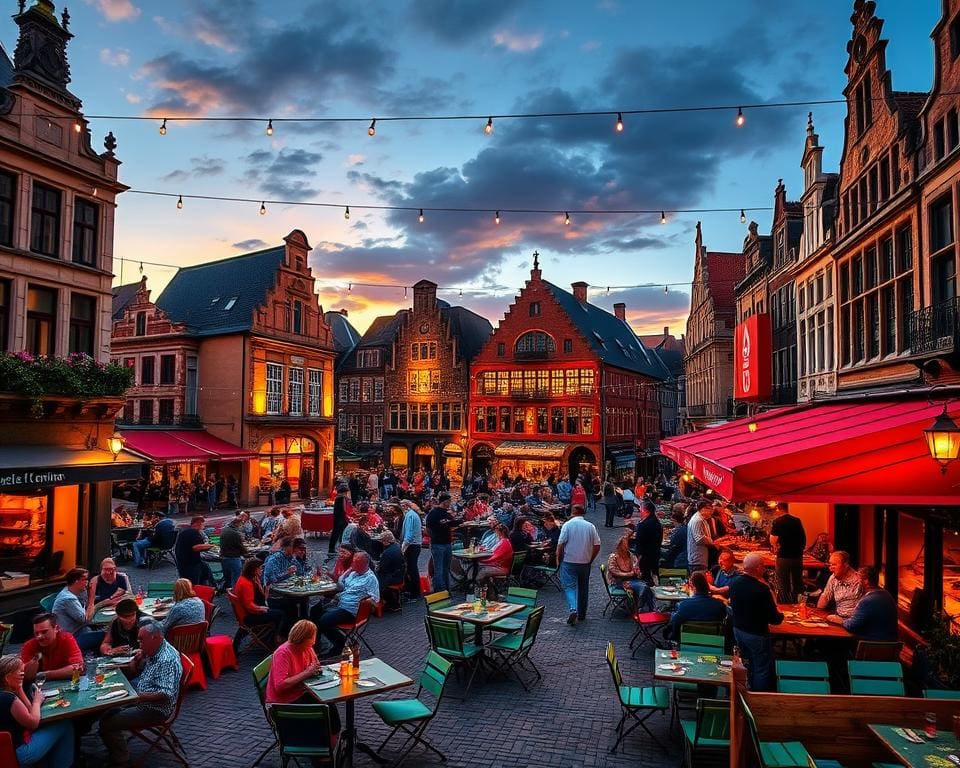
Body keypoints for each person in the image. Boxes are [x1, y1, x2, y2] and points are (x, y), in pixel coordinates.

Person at [99, 621, 183, 766]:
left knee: (106, 722)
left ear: (155, 637)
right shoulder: (157, 647)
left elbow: (165, 694)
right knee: (108, 700)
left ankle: (121, 757)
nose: (138, 643)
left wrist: (135, 697)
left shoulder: (167, 660)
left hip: (154, 709)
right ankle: (121, 728)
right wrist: (142, 654)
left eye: (141, 639)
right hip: (142, 692)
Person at [0, 654, 74, 767]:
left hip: (5, 752)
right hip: (19, 754)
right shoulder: (9, 699)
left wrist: (19, 688)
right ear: (7, 678)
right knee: (64, 724)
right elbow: (33, 722)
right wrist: (37, 702)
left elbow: (29, 711)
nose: (23, 674)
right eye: (19, 672)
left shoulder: (5, 693)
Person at [728, 552, 783, 691]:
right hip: (756, 634)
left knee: (749, 662)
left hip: (738, 631)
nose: (764, 569)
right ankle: (758, 698)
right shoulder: (761, 589)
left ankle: (748, 688)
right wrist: (781, 615)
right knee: (761, 668)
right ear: (758, 568)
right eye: (763, 566)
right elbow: (774, 619)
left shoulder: (734, 582)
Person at [310, 551, 380, 656]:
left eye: (356, 562)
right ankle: (316, 643)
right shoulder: (353, 573)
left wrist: (367, 602)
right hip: (340, 603)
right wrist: (334, 576)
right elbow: (342, 587)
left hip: (351, 610)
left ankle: (339, 645)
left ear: (364, 564)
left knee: (323, 621)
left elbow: (375, 600)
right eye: (353, 561)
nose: (353, 564)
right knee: (314, 610)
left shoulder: (370, 579)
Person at [557, 504, 601, 626]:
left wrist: (558, 559)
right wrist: (590, 558)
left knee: (570, 587)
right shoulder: (590, 526)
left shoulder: (567, 525)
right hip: (584, 562)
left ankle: (573, 608)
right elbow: (597, 545)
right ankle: (582, 614)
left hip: (569, 561)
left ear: (573, 512)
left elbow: (560, 544)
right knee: (583, 588)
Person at [827, 565, 897, 641]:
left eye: (858, 577)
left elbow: (852, 626)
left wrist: (840, 621)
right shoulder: (885, 594)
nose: (855, 580)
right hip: (888, 643)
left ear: (866, 581)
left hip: (873, 644)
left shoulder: (868, 600)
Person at [52, 567, 106, 653]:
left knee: (101, 630)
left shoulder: (71, 591)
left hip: (79, 629)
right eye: (85, 580)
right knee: (108, 636)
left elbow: (85, 605)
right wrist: (93, 598)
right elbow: (85, 619)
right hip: (71, 637)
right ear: (76, 581)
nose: (87, 583)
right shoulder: (68, 599)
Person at [233, 558, 284, 649]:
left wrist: (262, 588)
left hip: (247, 612)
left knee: (278, 605)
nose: (261, 570)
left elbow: (260, 597)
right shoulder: (246, 584)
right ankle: (276, 639)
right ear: (254, 570)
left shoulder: (246, 579)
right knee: (280, 614)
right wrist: (262, 608)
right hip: (250, 616)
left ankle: (269, 637)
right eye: (260, 568)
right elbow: (249, 605)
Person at [664, 571, 728, 642]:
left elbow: (675, 624)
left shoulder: (684, 605)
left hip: (687, 641)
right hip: (713, 642)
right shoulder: (719, 605)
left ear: (693, 587)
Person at [19, 613, 82, 683]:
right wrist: (33, 662)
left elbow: (78, 669)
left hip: (66, 683)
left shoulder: (66, 639)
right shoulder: (29, 646)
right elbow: (25, 677)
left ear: (56, 629)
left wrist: (46, 674)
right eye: (36, 633)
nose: (39, 637)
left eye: (44, 632)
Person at [769, 502, 806, 603]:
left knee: (783, 582)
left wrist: (775, 547)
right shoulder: (797, 521)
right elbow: (803, 538)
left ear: (779, 509)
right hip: (797, 556)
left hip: (783, 557)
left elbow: (772, 540)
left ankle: (785, 604)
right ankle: (799, 602)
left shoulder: (777, 522)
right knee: (797, 581)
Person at [606, 535, 652, 611]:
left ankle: (644, 607)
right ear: (619, 547)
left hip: (632, 579)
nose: (626, 548)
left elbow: (636, 569)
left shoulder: (631, 556)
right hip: (619, 581)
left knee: (646, 587)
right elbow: (613, 570)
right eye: (624, 546)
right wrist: (628, 574)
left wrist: (637, 572)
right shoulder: (613, 557)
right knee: (644, 587)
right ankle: (641, 607)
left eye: (626, 546)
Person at [425, 492, 459, 593]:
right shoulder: (433, 514)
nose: (450, 504)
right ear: (444, 502)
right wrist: (434, 537)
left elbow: (453, 522)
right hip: (438, 544)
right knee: (439, 568)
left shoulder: (446, 513)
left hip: (447, 543)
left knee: (445, 568)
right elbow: (428, 528)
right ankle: (439, 590)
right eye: (449, 502)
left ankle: (446, 589)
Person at [816, 550, 862, 620]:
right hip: (838, 618)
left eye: (834, 564)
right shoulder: (833, 578)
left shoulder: (859, 580)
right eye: (830, 564)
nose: (830, 568)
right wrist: (816, 613)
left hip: (854, 621)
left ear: (846, 565)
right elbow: (825, 596)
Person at [175, 515, 213, 585]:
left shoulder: (185, 532)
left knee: (205, 569)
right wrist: (212, 546)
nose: (204, 526)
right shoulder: (193, 532)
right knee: (194, 584)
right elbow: (196, 547)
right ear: (199, 523)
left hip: (185, 563)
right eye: (203, 524)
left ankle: (209, 588)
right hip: (190, 565)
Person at [633, 500, 663, 584]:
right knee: (654, 575)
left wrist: (638, 559)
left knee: (646, 578)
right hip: (655, 554)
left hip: (645, 557)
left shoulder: (644, 525)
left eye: (641, 510)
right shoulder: (657, 523)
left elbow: (639, 543)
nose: (640, 512)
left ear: (646, 511)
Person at [400, 500, 423, 599]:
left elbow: (409, 535)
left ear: (405, 506)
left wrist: (403, 548)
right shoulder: (413, 514)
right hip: (415, 545)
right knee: (412, 568)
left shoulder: (410, 516)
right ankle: (414, 591)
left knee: (411, 569)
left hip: (412, 546)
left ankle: (414, 593)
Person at [377, 531, 405, 610]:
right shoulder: (397, 547)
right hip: (399, 575)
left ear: (386, 541)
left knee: (376, 579)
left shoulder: (387, 553)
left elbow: (382, 568)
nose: (381, 542)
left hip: (392, 577)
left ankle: (390, 602)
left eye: (382, 540)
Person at [219, 513, 248, 589]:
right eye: (241, 524)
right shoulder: (235, 533)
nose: (241, 526)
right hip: (233, 557)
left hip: (224, 556)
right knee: (236, 577)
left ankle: (228, 590)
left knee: (228, 576)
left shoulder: (225, 529)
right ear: (237, 523)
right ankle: (235, 592)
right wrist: (246, 552)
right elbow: (240, 546)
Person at [686, 502, 716, 573]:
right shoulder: (698, 520)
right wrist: (712, 542)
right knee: (699, 579)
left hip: (700, 556)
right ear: (703, 509)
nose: (711, 512)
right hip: (697, 558)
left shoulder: (702, 519)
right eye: (710, 509)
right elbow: (699, 539)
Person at [330, 484, 351, 555]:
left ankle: (331, 548)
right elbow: (344, 509)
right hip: (341, 518)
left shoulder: (337, 498)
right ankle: (342, 548)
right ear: (344, 492)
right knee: (342, 533)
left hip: (336, 517)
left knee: (335, 533)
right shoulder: (343, 498)